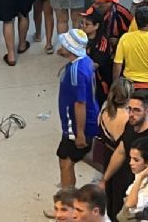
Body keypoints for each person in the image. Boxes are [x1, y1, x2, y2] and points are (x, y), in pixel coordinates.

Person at [100, 90, 148, 218]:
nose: (131, 114)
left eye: (136, 110)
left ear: (147, 111)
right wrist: (105, 178)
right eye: (129, 109)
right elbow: (120, 151)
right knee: (113, 213)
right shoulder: (130, 126)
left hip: (138, 194)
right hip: (121, 181)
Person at [55, 29, 99, 189]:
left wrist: (79, 133)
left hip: (76, 125)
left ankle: (67, 201)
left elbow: (80, 104)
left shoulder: (76, 72)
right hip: (81, 122)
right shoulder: (85, 61)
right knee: (77, 157)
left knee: (65, 161)